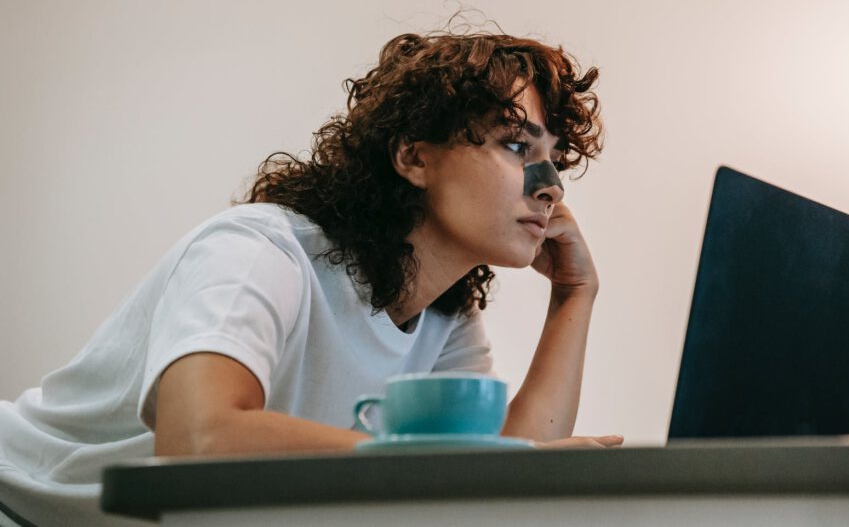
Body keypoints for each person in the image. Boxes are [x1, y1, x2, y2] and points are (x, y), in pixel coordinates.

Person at [0, 30, 622, 526]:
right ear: (413, 156)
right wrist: (473, 468)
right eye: (518, 146)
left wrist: (574, 294)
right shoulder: (262, 249)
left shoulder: (444, 318)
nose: (551, 189)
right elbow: (195, 436)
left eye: (553, 161)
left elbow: (502, 475)